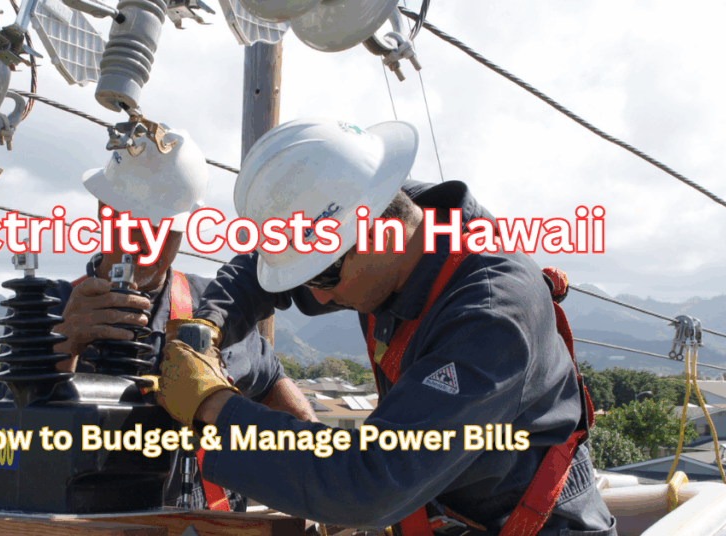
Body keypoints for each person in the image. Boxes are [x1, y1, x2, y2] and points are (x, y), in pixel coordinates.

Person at [155, 119, 616, 535]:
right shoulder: (391, 210)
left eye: (323, 276)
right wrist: (206, 326)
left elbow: (368, 481)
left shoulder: (491, 317)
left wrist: (216, 405)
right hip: (443, 509)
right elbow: (259, 269)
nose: (316, 297)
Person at [0, 127, 317, 511]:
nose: (140, 241)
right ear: (103, 211)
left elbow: (273, 388)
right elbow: (5, 446)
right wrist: (62, 346)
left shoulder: (213, 308)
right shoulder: (46, 309)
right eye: (128, 220)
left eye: (159, 226)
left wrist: (316, 479)